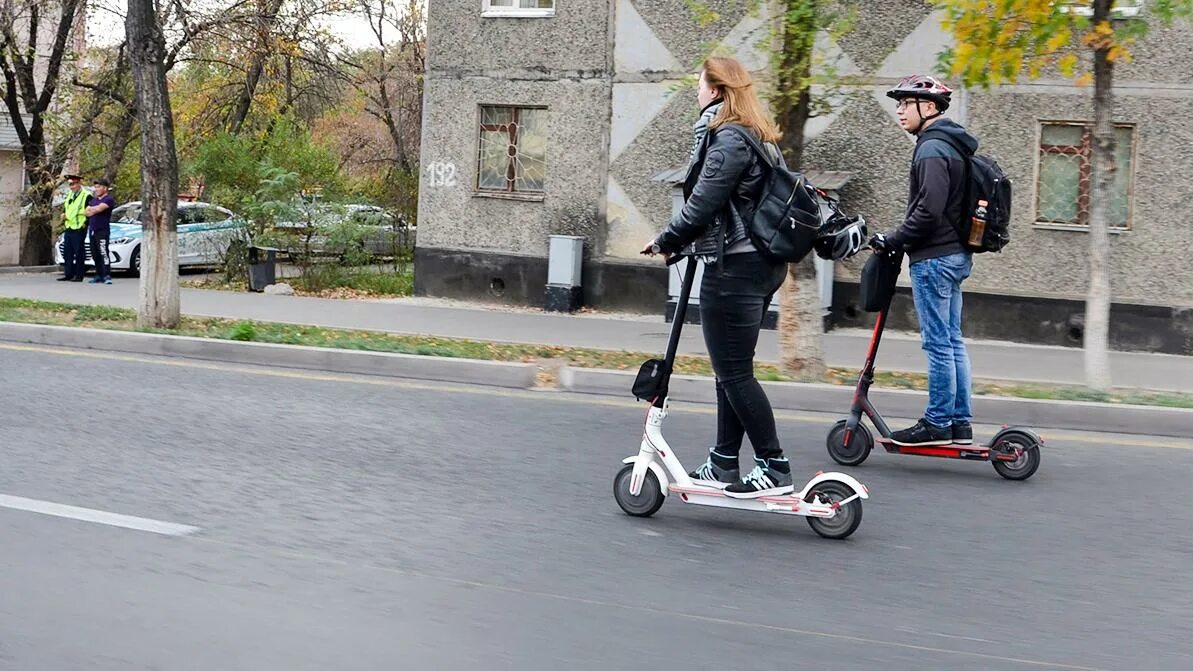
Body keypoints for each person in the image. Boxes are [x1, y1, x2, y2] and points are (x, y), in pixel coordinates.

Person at [640, 56, 792, 499]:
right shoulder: (758, 133)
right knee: (730, 371)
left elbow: (705, 200)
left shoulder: (727, 137)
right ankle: (725, 460)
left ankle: (774, 465)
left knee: (735, 373)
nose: (696, 92)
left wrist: (668, 238)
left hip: (737, 268)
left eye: (700, 85)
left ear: (717, 91)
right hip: (761, 265)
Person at [870, 74, 976, 447]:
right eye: (898, 104)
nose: (899, 111)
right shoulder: (953, 145)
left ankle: (937, 422)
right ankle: (959, 422)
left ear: (928, 107)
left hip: (934, 258)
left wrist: (892, 239)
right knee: (952, 341)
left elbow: (928, 212)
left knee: (938, 344)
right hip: (955, 254)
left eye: (905, 104)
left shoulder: (932, 149)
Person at [85, 178, 116, 284]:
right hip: (92, 230)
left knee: (103, 252)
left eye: (99, 187)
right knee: (95, 253)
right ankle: (99, 275)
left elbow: (99, 209)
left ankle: (107, 275)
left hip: (102, 230)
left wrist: (94, 209)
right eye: (96, 187)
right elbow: (87, 212)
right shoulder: (93, 200)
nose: (96, 189)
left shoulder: (108, 199)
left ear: (105, 188)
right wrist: (94, 209)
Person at [59, 174, 89, 282]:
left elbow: (89, 212)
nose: (71, 187)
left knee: (79, 253)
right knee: (68, 252)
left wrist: (85, 225)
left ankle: (79, 275)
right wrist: (63, 214)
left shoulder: (86, 195)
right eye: (70, 185)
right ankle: (69, 274)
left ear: (79, 183)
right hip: (69, 226)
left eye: (73, 184)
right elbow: (66, 207)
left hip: (79, 227)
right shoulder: (70, 194)